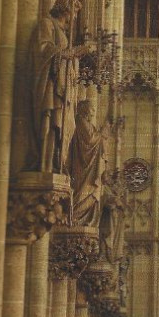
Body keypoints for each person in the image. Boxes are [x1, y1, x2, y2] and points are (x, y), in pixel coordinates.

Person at [29, 0, 87, 173]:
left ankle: (55, 164)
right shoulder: (47, 24)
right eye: (75, 11)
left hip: (64, 88)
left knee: (62, 127)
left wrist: (74, 55)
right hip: (52, 87)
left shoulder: (62, 31)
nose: (75, 17)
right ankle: (45, 165)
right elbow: (42, 50)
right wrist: (70, 53)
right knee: (53, 124)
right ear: (65, 8)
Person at [66, 97, 109, 227]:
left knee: (90, 194)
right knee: (83, 192)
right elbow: (90, 140)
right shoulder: (80, 121)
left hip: (89, 167)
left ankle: (80, 218)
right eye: (91, 109)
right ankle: (75, 217)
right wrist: (102, 133)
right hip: (84, 167)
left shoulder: (86, 123)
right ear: (84, 109)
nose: (93, 112)